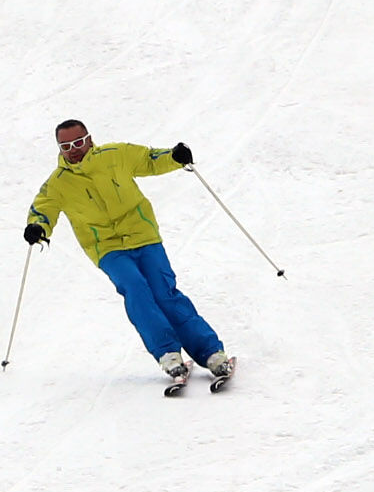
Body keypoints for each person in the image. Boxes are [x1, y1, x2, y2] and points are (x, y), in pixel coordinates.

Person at [24, 120, 235, 391]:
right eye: (66, 146)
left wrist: (174, 156)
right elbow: (43, 209)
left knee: (164, 292)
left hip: (143, 235)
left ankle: (210, 352)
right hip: (106, 247)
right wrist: (37, 227)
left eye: (78, 142)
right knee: (136, 288)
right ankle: (168, 354)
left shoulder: (115, 155)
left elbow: (149, 160)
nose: (74, 150)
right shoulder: (58, 184)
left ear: (89, 139)